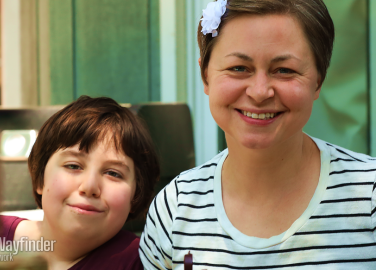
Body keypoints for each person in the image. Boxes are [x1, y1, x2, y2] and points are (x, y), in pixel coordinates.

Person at [140, 0, 376, 269]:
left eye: (284, 70)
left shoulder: (369, 194)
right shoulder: (176, 208)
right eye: (239, 68)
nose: (260, 91)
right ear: (205, 76)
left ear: (318, 81)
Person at [0, 95, 160, 269]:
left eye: (113, 173)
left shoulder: (145, 262)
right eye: (73, 166)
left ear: (136, 196)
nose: (89, 186)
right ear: (39, 178)